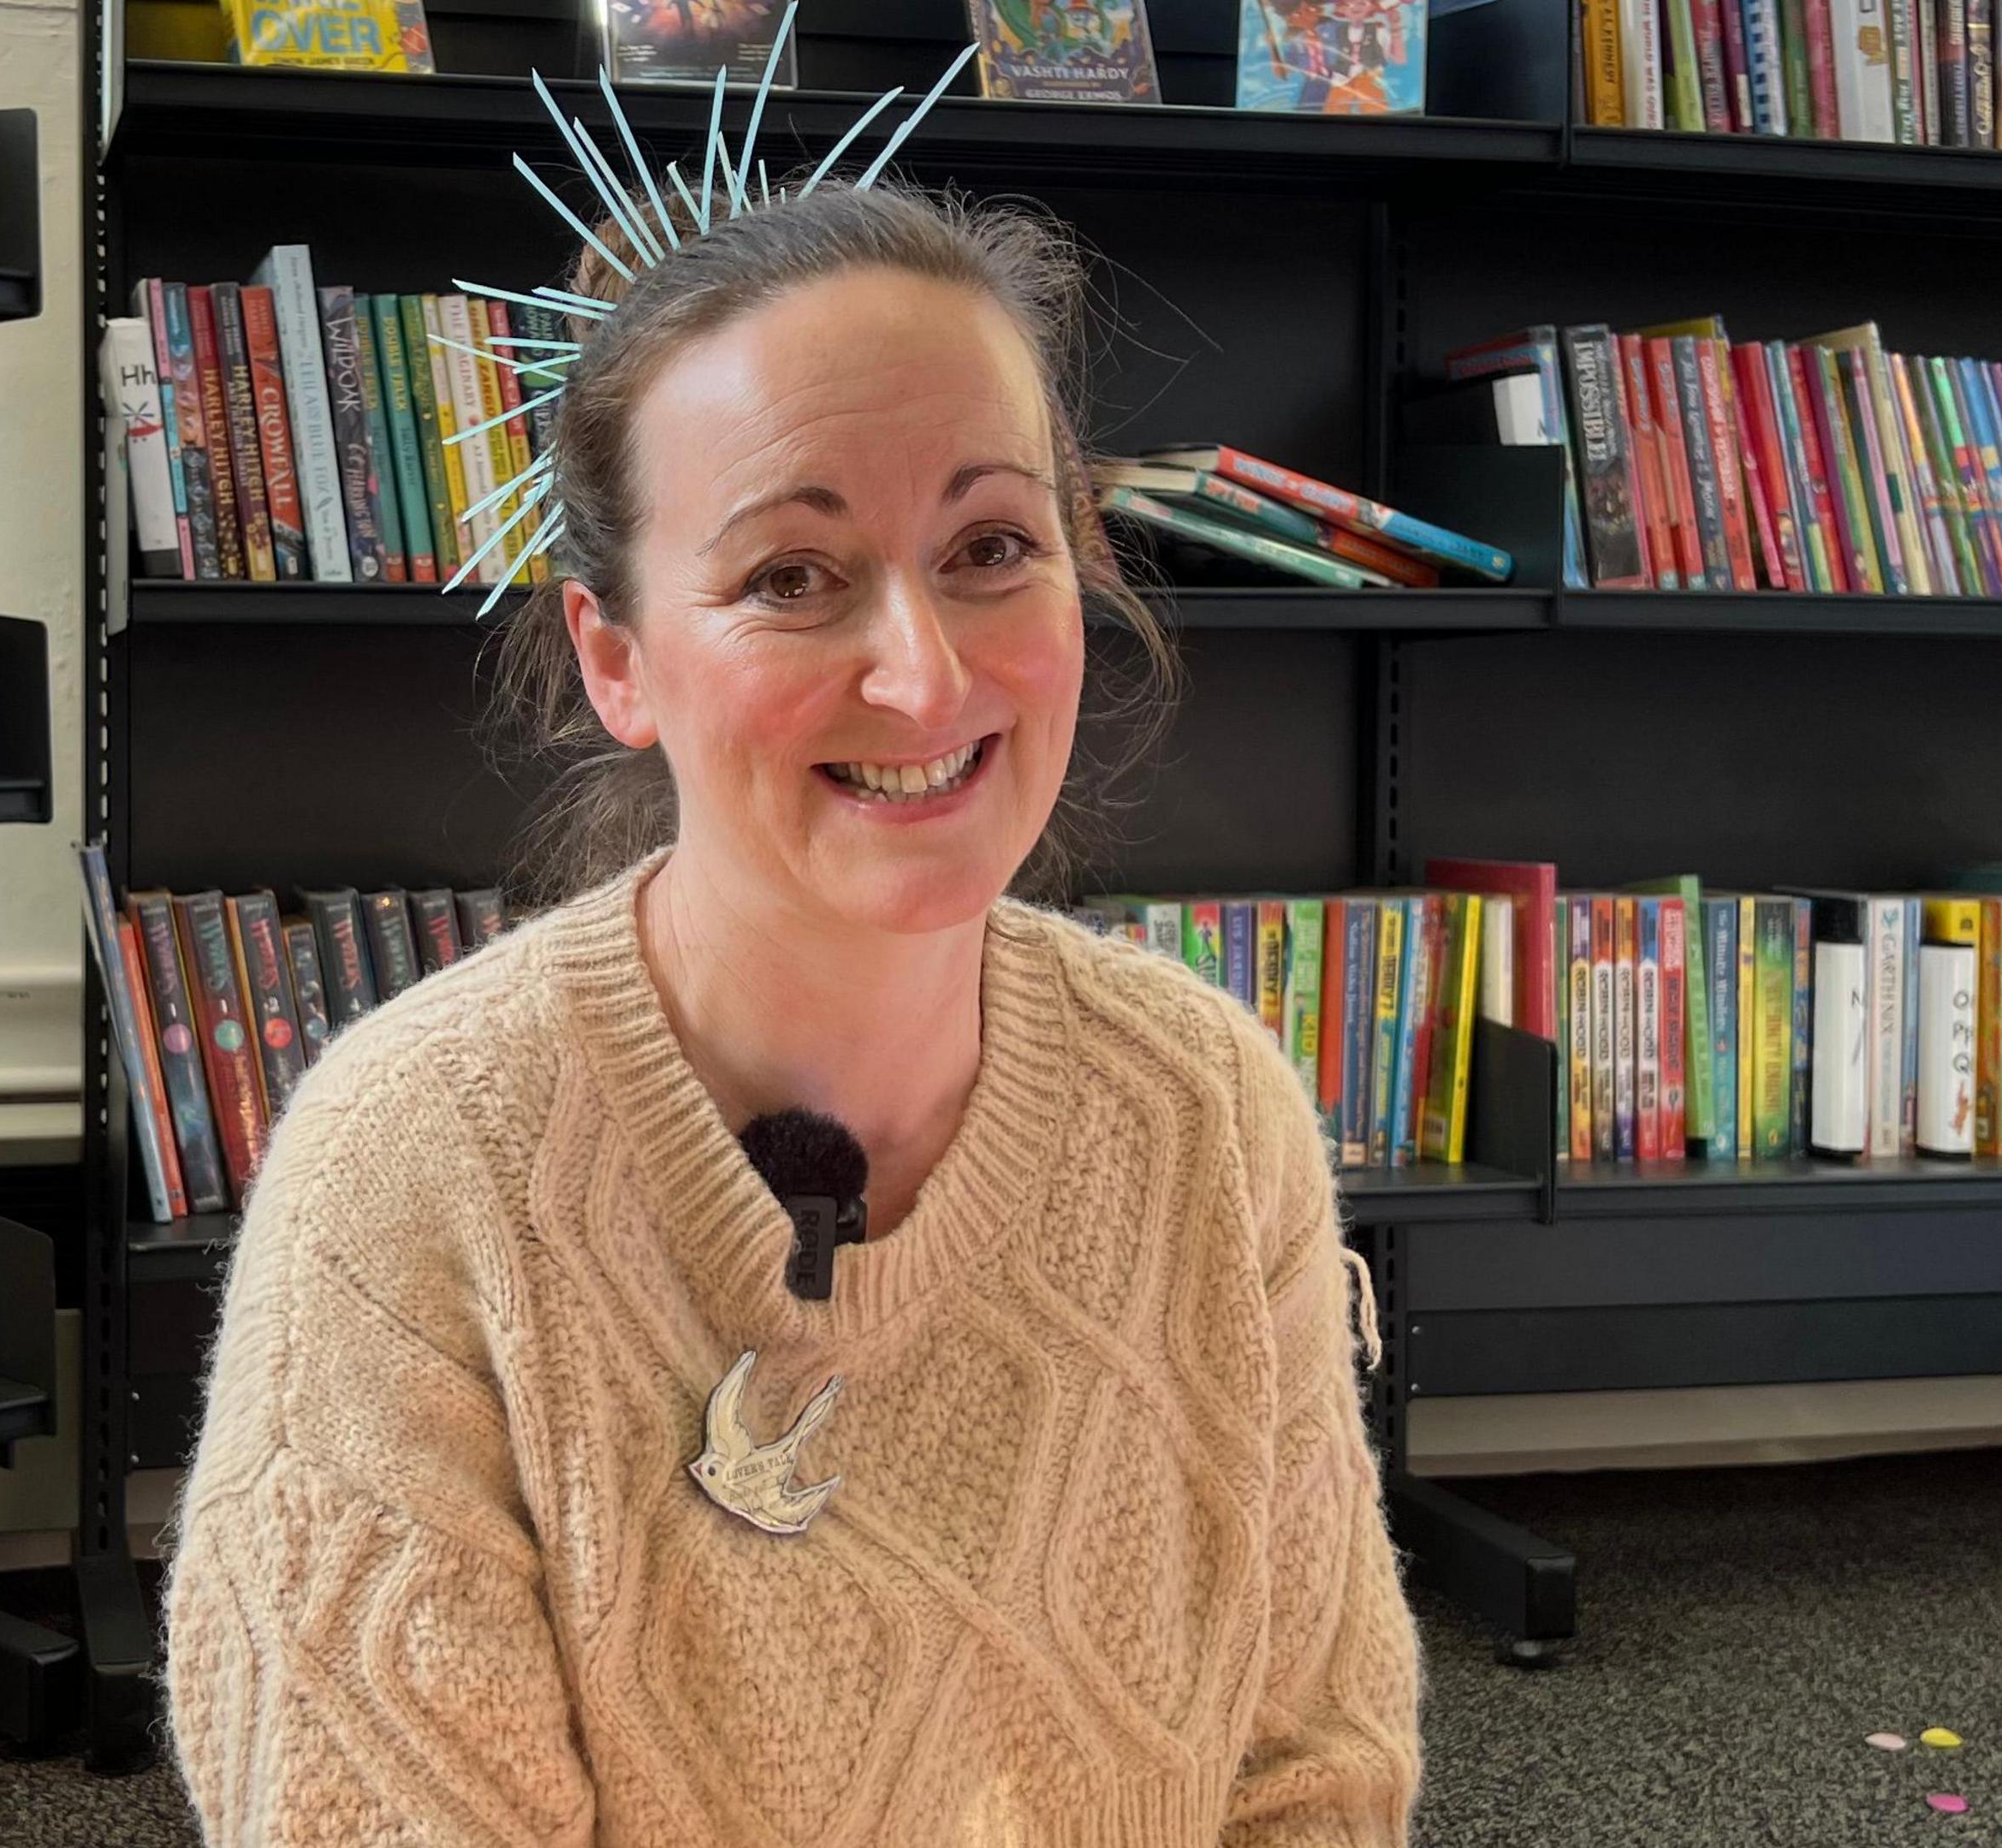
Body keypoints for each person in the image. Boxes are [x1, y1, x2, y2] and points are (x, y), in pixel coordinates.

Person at [162, 174, 1421, 1844]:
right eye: (792, 576)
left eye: (988, 548)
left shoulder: (1207, 1108)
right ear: (617, 660)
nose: (925, 673)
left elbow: (1314, 1774)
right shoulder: (411, 1174)